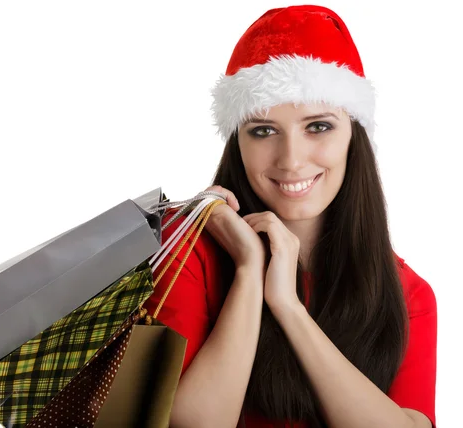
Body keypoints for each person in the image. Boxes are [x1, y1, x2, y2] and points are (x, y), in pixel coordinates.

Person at [142, 5, 437, 428]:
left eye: (318, 126)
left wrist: (287, 307)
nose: (292, 160)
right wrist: (249, 269)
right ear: (236, 142)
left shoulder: (408, 295)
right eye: (263, 130)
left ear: (354, 134)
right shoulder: (188, 251)